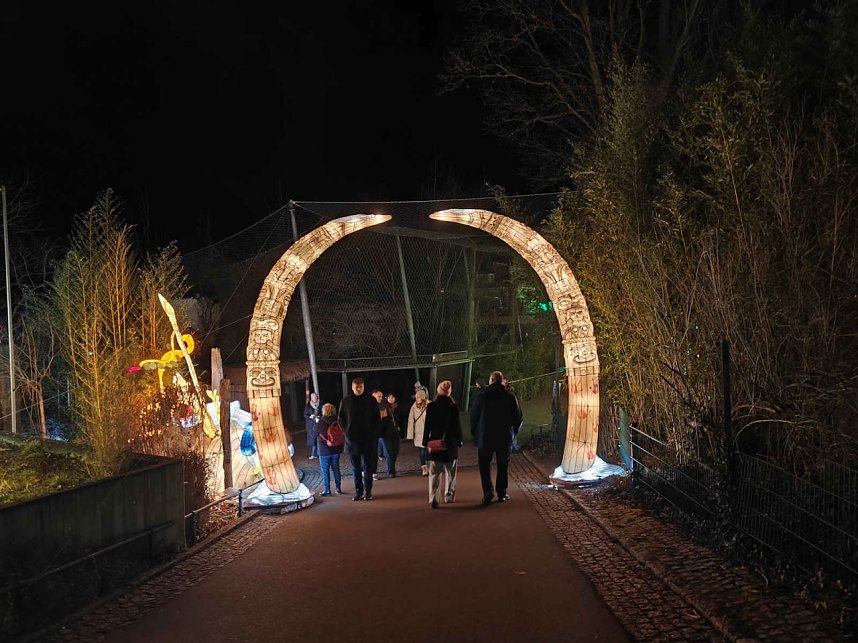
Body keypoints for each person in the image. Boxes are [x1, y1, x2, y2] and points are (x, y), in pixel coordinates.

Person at [472, 370, 523, 505]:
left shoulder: (481, 396)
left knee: (484, 465)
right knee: (502, 465)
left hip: (485, 437)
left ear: (491, 380)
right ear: (501, 381)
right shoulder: (510, 397)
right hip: (504, 436)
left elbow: (474, 416)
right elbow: (518, 417)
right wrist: (513, 432)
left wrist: (475, 433)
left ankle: (487, 492)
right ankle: (501, 492)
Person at [338, 377, 381, 501]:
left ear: (363, 387)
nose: (358, 389)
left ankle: (368, 491)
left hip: (368, 440)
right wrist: (346, 432)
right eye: (356, 387)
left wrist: (373, 432)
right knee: (356, 468)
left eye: (360, 387)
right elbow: (341, 418)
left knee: (368, 467)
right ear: (352, 387)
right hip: (352, 440)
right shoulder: (346, 401)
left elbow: (376, 418)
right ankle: (358, 491)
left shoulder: (371, 400)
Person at [422, 380, 463, 509]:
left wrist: (425, 441)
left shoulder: (431, 406)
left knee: (434, 472)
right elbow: (457, 426)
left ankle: (434, 497)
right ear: (449, 392)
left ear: (438, 391)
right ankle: (449, 495)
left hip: (435, 443)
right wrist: (459, 440)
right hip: (450, 443)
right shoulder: (453, 407)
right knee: (451, 472)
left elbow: (427, 426)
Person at [314, 403, 343, 496]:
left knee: (325, 470)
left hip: (324, 450)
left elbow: (313, 435)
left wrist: (316, 423)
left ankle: (327, 490)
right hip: (336, 449)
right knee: (336, 468)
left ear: (324, 411)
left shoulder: (320, 423)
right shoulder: (338, 421)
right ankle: (338, 488)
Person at [407, 388, 429, 475]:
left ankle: (430, 466)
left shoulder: (429, 405)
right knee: (422, 450)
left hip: (428, 432)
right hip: (419, 432)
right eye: (416, 398)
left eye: (418, 397)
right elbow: (410, 421)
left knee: (429, 450)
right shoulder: (413, 407)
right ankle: (424, 468)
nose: (417, 399)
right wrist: (410, 434)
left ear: (423, 397)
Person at [304, 392, 322, 460]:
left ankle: (319, 454)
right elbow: (305, 415)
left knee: (320, 439)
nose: (315, 398)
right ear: (311, 398)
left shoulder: (321, 404)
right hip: (311, 425)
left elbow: (324, 412)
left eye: (316, 397)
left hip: (319, 423)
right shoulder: (308, 405)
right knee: (313, 440)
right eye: (313, 397)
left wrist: (319, 417)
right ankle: (313, 454)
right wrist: (310, 416)